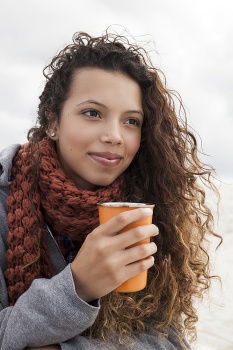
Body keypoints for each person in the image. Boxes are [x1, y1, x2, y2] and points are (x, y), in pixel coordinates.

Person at [0, 27, 222, 350]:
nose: (115, 136)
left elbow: (169, 341)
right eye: (93, 113)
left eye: (131, 121)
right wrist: (78, 285)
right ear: (52, 122)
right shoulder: (5, 202)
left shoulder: (148, 203)